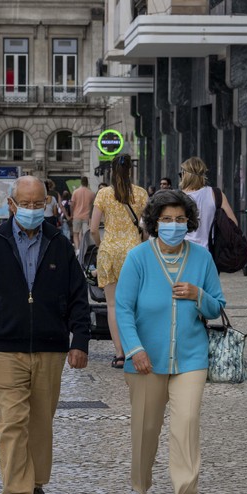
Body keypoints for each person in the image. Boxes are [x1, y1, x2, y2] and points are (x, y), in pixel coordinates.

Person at [0, 175, 90, 494]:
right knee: (11, 420)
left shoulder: (60, 246)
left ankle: (35, 482)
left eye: (39, 204)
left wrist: (80, 340)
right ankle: (14, 493)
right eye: (26, 204)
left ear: (47, 204)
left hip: (50, 347)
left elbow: (79, 297)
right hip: (5, 345)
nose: (33, 210)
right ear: (12, 205)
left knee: (40, 421)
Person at [115, 190, 225, 494]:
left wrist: (198, 294)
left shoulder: (202, 258)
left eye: (180, 220)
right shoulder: (138, 258)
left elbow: (217, 306)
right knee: (146, 428)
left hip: (190, 358)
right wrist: (135, 349)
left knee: (186, 424)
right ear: (154, 222)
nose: (174, 226)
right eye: (166, 220)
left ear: (189, 222)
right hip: (145, 359)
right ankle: (140, 485)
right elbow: (123, 308)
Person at [90, 153, 149, 369]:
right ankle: (136, 348)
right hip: (134, 251)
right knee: (135, 303)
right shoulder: (142, 194)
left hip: (109, 251)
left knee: (113, 305)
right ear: (130, 170)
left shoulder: (104, 194)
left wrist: (100, 246)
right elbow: (146, 228)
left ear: (111, 171)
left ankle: (119, 354)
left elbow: (94, 228)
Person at [179, 156, 239, 248]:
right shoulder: (216, 194)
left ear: (185, 175)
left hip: (184, 250)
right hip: (209, 250)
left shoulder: (178, 197)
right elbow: (233, 223)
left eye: (181, 174)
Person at [70, 176, 96, 250]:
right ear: (87, 183)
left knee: (76, 234)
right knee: (85, 234)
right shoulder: (92, 193)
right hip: (87, 217)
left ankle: (77, 250)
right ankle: (83, 249)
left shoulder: (75, 192)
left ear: (80, 182)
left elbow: (72, 205)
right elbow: (93, 206)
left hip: (77, 216)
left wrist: (72, 214)